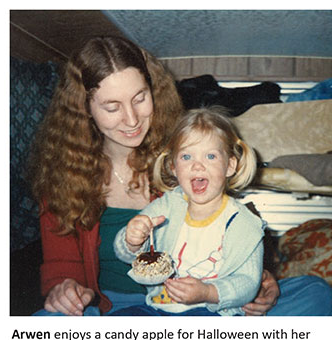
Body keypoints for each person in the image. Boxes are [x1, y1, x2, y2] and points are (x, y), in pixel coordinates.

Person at [28, 35, 332, 316]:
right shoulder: (63, 177)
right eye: (112, 107)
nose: (132, 119)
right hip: (115, 310)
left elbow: (229, 230)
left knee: (317, 293)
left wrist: (258, 280)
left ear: (153, 90)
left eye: (139, 98)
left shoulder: (185, 155)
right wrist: (63, 290)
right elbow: (61, 268)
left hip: (199, 301)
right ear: (84, 109)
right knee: (42, 325)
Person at [112, 107, 265, 316]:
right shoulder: (167, 205)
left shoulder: (243, 223)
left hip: (210, 311)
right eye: (186, 157)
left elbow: (248, 282)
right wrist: (131, 241)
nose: (197, 166)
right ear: (174, 167)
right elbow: (127, 254)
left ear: (230, 165)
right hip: (157, 307)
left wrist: (208, 292)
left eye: (210, 156)